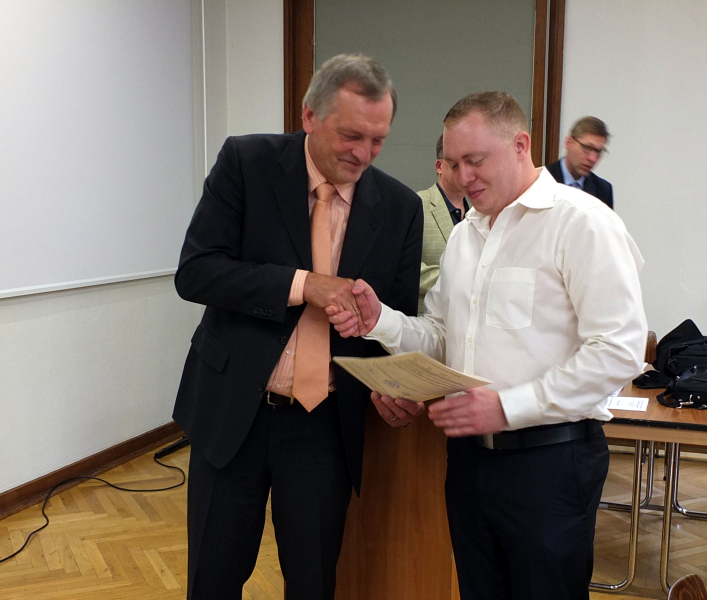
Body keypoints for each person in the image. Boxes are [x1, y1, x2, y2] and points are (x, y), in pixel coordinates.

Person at [328, 92, 647, 600]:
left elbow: (618, 351)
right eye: (454, 164)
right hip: (468, 463)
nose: (463, 177)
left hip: (551, 462)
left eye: (475, 160)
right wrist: (380, 321)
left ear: (520, 145)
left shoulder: (581, 221)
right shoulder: (465, 237)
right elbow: (442, 337)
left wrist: (508, 406)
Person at [172, 54, 423, 600]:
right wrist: (304, 284)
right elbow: (196, 272)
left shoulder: (400, 208)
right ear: (309, 115)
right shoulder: (247, 163)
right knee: (212, 581)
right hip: (232, 412)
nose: (363, 153)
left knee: (312, 584)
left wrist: (394, 387)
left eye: (378, 140)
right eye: (351, 135)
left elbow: (395, 323)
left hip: (323, 426)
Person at [418, 133, 470, 314]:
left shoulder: (482, 214)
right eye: (456, 165)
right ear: (439, 166)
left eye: (471, 163)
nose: (465, 172)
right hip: (427, 320)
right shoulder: (417, 205)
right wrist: (462, 281)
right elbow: (405, 268)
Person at [546, 116, 614, 209]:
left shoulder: (603, 190)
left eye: (598, 151)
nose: (593, 158)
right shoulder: (542, 180)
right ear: (569, 142)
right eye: (587, 148)